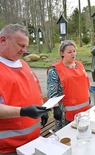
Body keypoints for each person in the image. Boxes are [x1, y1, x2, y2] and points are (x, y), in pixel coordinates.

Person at [0, 24, 48, 154]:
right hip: (9, 148)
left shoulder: (23, 64)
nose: (24, 50)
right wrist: (23, 111)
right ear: (3, 40)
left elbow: (35, 88)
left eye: (26, 46)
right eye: (21, 45)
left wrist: (42, 108)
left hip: (33, 141)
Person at [47, 40, 90, 131]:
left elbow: (85, 82)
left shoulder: (80, 65)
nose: (73, 54)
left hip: (84, 111)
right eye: (69, 52)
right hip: (65, 114)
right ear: (62, 53)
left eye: (74, 51)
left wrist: (88, 95)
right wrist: (55, 108)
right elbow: (52, 91)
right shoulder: (54, 70)